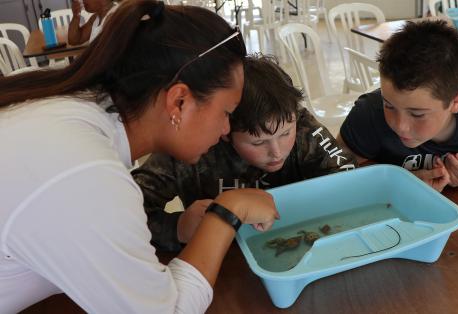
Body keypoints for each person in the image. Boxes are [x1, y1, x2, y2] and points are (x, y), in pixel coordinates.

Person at [0, 1, 279, 313]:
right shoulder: (85, 174)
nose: (227, 129)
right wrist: (229, 210)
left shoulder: (68, 106)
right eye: (226, 112)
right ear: (180, 102)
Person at [132, 54, 357, 252]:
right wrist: (178, 227)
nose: (277, 152)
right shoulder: (195, 147)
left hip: (299, 246)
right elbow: (125, 209)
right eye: (258, 143)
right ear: (225, 130)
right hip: (221, 261)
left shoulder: (300, 122)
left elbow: (348, 176)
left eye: (286, 133)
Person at [338, 20, 458, 192]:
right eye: (388, 105)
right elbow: (337, 166)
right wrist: (401, 181)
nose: (400, 126)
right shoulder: (368, 114)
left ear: (457, 102)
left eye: (417, 114)